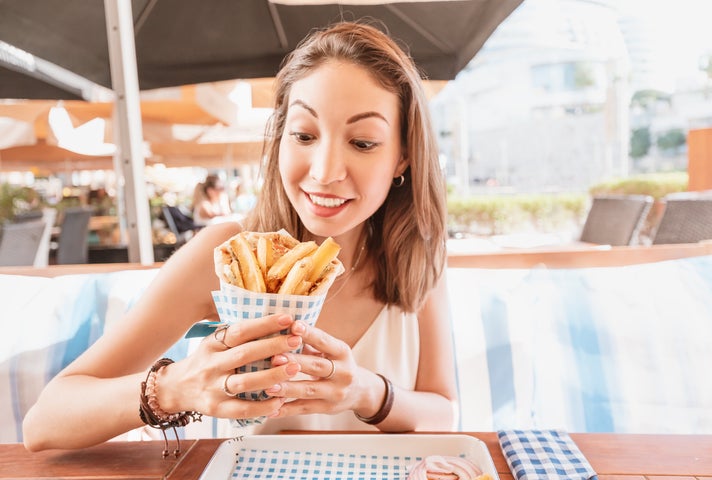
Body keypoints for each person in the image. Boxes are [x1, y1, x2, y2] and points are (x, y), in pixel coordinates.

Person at [23, 21, 457, 452]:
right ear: (281, 138)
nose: (325, 171)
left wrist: (369, 393)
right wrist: (175, 387)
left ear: (402, 157)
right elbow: (45, 422)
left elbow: (444, 412)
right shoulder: (227, 255)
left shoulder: (417, 255)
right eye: (304, 135)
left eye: (362, 142)